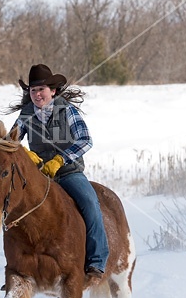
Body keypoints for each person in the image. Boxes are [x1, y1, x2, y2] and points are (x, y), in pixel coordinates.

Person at [6, 63, 109, 279]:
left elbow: (85, 140)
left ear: (52, 91)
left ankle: (96, 261)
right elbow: (10, 143)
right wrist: (26, 153)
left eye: (41, 89)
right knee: (12, 209)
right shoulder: (26, 115)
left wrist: (60, 159)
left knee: (90, 203)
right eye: (33, 91)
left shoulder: (67, 110)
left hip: (69, 173)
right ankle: (19, 269)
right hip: (41, 177)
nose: (37, 94)